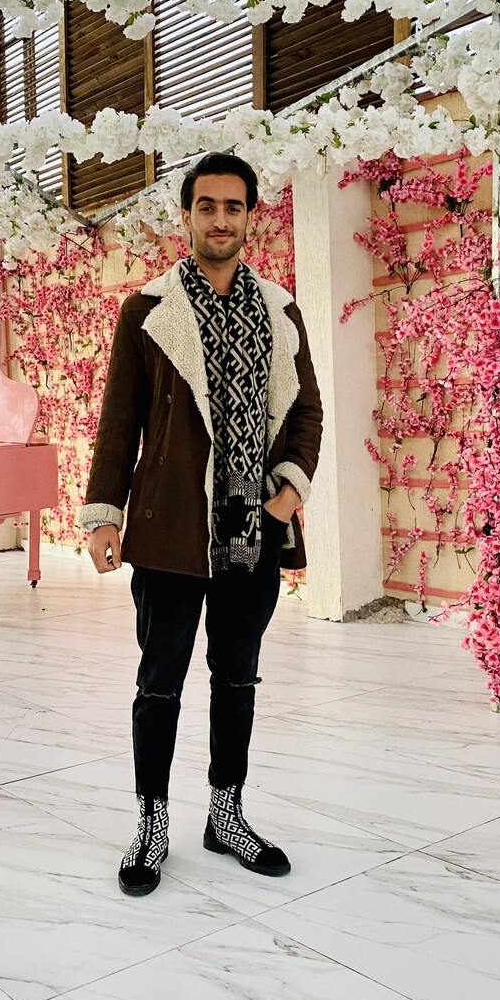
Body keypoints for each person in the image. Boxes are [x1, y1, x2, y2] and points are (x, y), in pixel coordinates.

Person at [78, 153, 323, 896]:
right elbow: (119, 422)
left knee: (238, 679)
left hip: (255, 530)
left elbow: (306, 410)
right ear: (185, 216)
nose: (221, 219)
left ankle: (225, 816)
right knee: (160, 682)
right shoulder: (149, 311)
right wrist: (102, 513)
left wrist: (288, 493)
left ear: (251, 217)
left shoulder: (281, 308)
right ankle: (152, 826)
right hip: (171, 529)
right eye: (207, 206)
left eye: (234, 207)